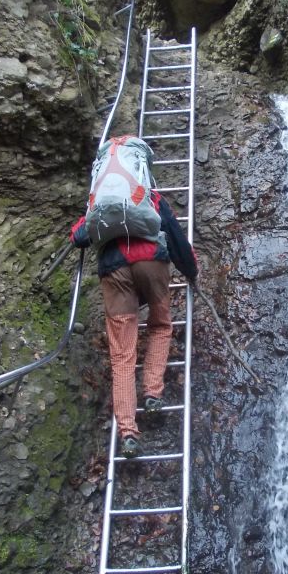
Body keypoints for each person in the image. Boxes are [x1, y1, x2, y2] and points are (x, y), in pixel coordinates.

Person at [70, 191, 198, 459]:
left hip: (114, 270)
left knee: (122, 355)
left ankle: (128, 433)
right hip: (152, 262)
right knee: (160, 326)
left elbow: (80, 237)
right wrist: (190, 271)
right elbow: (175, 236)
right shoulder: (149, 196)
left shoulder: (100, 201)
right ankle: (152, 393)